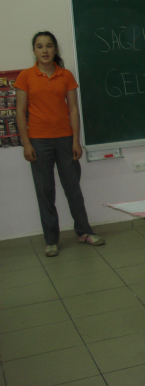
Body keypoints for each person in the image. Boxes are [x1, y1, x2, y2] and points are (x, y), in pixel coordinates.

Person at [15, 31, 105, 257]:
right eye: (39, 46)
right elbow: (20, 112)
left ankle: (84, 232)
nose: (44, 50)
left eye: (48, 46)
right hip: (38, 141)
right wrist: (26, 144)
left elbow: (73, 109)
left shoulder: (66, 75)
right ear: (34, 50)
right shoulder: (25, 76)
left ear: (55, 49)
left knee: (73, 188)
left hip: (65, 140)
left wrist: (76, 140)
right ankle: (51, 240)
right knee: (45, 192)